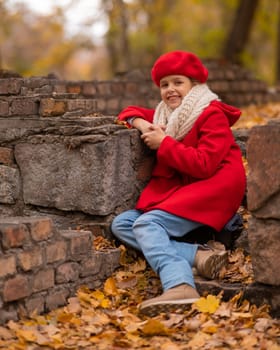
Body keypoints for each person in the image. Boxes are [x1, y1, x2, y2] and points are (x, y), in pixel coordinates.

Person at [111, 50, 246, 317]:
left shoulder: (210, 113)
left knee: (147, 224)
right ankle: (198, 255)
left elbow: (204, 164)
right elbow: (128, 111)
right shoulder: (167, 116)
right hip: (186, 187)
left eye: (177, 82)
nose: (170, 89)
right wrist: (141, 123)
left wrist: (164, 143)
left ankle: (179, 283)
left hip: (216, 186)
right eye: (164, 84)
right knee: (122, 224)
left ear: (194, 85)